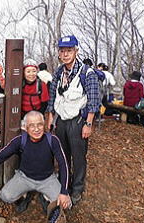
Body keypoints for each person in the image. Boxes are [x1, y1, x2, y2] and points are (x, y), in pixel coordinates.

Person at [0, 111, 71, 215]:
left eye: (39, 124)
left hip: (47, 179)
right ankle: (24, 194)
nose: (36, 129)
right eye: (32, 125)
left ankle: (45, 196)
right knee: (5, 196)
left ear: (44, 125)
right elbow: (0, 155)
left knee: (67, 204)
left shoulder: (52, 140)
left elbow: (63, 164)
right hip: (24, 177)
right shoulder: (20, 140)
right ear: (25, 127)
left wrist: (64, 192)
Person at [46, 35, 100, 205]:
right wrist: (50, 117)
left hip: (78, 121)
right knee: (63, 155)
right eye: (62, 51)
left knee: (78, 156)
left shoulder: (87, 73)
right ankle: (65, 185)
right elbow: (52, 95)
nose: (65, 54)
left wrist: (88, 124)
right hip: (61, 120)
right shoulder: (58, 72)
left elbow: (93, 101)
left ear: (76, 51)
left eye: (69, 50)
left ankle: (77, 188)